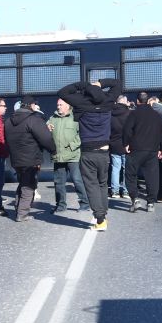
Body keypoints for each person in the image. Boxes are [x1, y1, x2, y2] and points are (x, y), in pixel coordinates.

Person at [57, 77, 123, 232]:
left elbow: (62, 92)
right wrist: (100, 84)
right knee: (102, 184)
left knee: (91, 185)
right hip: (105, 152)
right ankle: (103, 214)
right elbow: (117, 84)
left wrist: (84, 84)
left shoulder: (81, 103)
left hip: (88, 152)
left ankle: (100, 219)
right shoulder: (108, 101)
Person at [3, 95, 55, 222]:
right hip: (31, 158)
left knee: (22, 183)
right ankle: (22, 214)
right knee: (29, 185)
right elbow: (46, 138)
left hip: (15, 159)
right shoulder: (33, 120)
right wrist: (53, 150)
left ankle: (18, 208)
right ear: (31, 105)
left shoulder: (9, 121)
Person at [123, 92, 162, 212]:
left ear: (137, 101)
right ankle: (151, 203)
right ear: (148, 101)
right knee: (152, 177)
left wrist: (126, 144)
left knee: (130, 174)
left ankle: (135, 199)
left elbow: (127, 130)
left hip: (136, 149)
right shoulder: (156, 115)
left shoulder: (133, 114)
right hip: (152, 150)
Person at [48, 98, 90, 214]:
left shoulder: (76, 118)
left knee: (77, 180)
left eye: (61, 105)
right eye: (57, 105)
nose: (58, 107)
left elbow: (82, 134)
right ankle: (60, 205)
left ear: (68, 106)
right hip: (58, 156)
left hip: (73, 156)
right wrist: (47, 128)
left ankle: (84, 204)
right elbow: (45, 132)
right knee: (59, 182)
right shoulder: (52, 119)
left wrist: (72, 146)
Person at [108, 94, 131, 199]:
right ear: (125, 102)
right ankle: (126, 191)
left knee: (115, 168)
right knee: (127, 169)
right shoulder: (129, 113)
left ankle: (115, 191)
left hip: (114, 144)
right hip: (127, 145)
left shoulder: (110, 114)